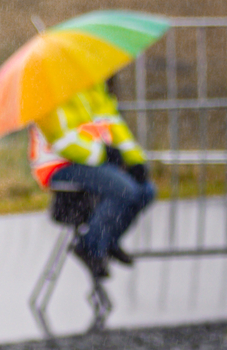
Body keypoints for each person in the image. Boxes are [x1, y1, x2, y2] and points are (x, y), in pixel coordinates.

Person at [31, 80, 155, 281]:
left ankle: (107, 240)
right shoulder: (48, 94)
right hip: (60, 165)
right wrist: (103, 153)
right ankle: (90, 246)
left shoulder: (93, 87)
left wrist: (135, 160)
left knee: (146, 191)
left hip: (96, 162)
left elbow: (114, 125)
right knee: (125, 190)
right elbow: (62, 140)